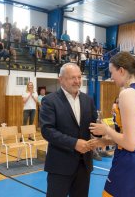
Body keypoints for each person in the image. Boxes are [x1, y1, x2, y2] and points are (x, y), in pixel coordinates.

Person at [89, 51, 135, 197]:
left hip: (129, 163)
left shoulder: (127, 93)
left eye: (112, 72)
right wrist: (106, 141)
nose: (111, 77)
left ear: (122, 70)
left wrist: (106, 129)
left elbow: (130, 144)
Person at [40, 63, 98, 197]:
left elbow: (93, 126)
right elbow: (47, 130)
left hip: (84, 165)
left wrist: (101, 131)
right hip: (60, 165)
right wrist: (74, 143)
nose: (77, 81)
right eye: (72, 78)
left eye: (79, 77)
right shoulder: (49, 101)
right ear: (61, 79)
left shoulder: (88, 100)